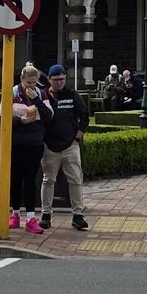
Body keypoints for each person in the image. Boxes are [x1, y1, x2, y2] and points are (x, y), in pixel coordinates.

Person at [38, 64, 90, 232]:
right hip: (50, 145)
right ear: (49, 80)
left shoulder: (72, 95)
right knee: (48, 180)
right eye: (56, 80)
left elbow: (84, 115)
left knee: (75, 180)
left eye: (62, 79)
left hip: (70, 145)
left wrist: (78, 136)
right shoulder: (44, 95)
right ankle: (46, 214)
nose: (59, 83)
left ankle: (77, 215)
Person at [6, 64, 51, 234]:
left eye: (34, 82)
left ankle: (31, 217)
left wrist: (37, 101)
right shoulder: (12, 93)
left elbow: (48, 116)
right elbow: (3, 117)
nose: (31, 86)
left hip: (34, 143)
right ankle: (15, 213)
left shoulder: (41, 93)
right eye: (28, 83)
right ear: (21, 80)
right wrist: (21, 121)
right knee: (15, 179)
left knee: (30, 180)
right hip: (16, 143)